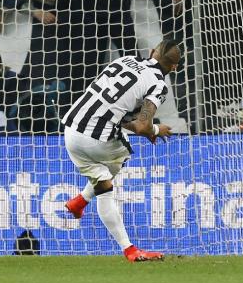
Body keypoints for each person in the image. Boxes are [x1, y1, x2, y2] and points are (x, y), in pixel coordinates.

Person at [61, 39, 180, 262]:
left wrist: (142, 127)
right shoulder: (157, 83)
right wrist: (155, 129)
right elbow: (142, 126)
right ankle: (128, 249)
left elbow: (116, 111)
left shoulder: (125, 60)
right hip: (96, 138)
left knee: (103, 180)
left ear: (151, 52)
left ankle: (80, 202)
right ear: (174, 67)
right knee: (121, 156)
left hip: (71, 131)